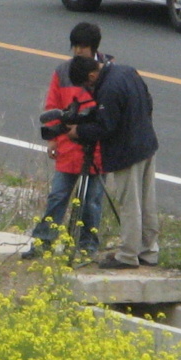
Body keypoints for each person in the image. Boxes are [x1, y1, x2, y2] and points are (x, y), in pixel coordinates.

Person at [21, 21, 109, 260]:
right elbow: (53, 105)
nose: (78, 51)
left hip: (97, 148)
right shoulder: (62, 72)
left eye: (83, 47)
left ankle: (86, 246)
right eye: (75, 47)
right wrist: (53, 138)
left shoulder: (105, 73)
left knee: (91, 201)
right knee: (58, 196)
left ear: (93, 48)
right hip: (68, 146)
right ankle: (43, 242)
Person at [67, 54, 160, 270]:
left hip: (127, 152)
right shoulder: (127, 70)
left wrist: (79, 131)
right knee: (147, 202)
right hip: (147, 143)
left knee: (130, 204)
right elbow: (148, 102)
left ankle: (128, 255)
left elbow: (106, 127)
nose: (88, 89)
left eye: (87, 84)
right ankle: (149, 251)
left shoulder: (108, 88)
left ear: (92, 74)